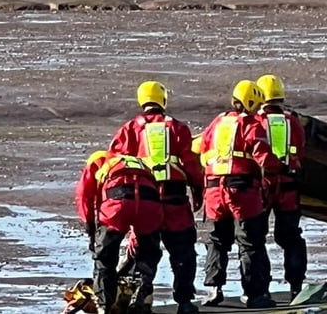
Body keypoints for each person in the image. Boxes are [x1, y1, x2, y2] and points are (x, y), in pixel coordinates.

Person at [108, 81, 204, 314]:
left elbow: (115, 164)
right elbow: (191, 164)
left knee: (145, 253)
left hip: (145, 201)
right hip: (175, 200)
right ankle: (184, 301)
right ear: (163, 99)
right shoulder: (177, 129)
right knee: (183, 252)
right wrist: (198, 190)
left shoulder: (130, 129)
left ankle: (140, 301)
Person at [198, 79, 281, 309]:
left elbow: (203, 151)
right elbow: (265, 158)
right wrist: (269, 184)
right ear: (252, 101)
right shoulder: (251, 124)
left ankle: (213, 289)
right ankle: (255, 295)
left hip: (215, 190)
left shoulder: (218, 122)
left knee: (216, 240)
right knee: (250, 241)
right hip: (241, 190)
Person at [75, 150, 163, 314]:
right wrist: (136, 245)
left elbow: (84, 194)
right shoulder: (141, 163)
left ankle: (104, 305)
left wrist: (89, 225)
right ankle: (141, 299)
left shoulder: (98, 159)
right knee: (148, 255)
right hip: (149, 204)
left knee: (105, 258)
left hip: (117, 205)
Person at [255, 74, 307, 300]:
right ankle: (296, 286)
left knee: (256, 239)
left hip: (262, 187)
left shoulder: (255, 122)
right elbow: (301, 152)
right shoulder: (292, 122)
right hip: (288, 187)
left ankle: (261, 289)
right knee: (291, 238)